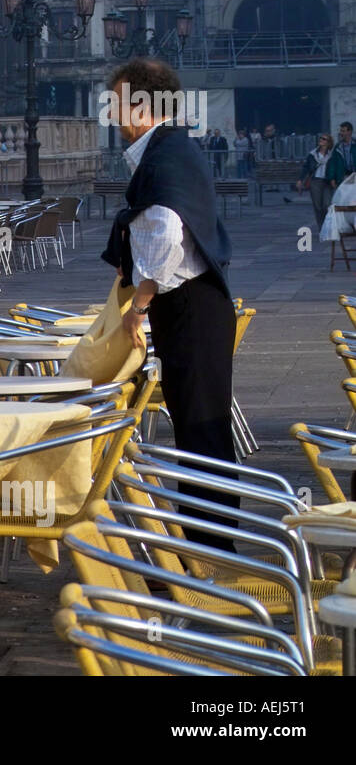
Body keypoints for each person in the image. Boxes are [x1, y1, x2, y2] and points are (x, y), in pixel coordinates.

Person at [100, 58, 237, 551]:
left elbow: (167, 235)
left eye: (116, 102)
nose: (112, 113)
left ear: (139, 105)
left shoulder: (164, 157)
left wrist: (139, 305)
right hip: (196, 307)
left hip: (190, 309)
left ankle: (212, 554)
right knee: (201, 429)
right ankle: (206, 545)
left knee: (203, 431)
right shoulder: (172, 147)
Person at [297, 133, 334, 229]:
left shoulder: (332, 155)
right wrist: (300, 180)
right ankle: (321, 227)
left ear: (328, 143)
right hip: (316, 181)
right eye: (321, 138)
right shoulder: (313, 154)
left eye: (324, 139)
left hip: (327, 182)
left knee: (327, 204)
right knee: (317, 206)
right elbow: (306, 168)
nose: (321, 140)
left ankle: (328, 225)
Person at [326, 121, 355, 189]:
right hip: (343, 177)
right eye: (341, 131)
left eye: (343, 131)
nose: (341, 133)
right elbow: (332, 163)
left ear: (349, 132)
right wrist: (332, 179)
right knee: (344, 198)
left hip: (355, 176)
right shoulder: (338, 147)